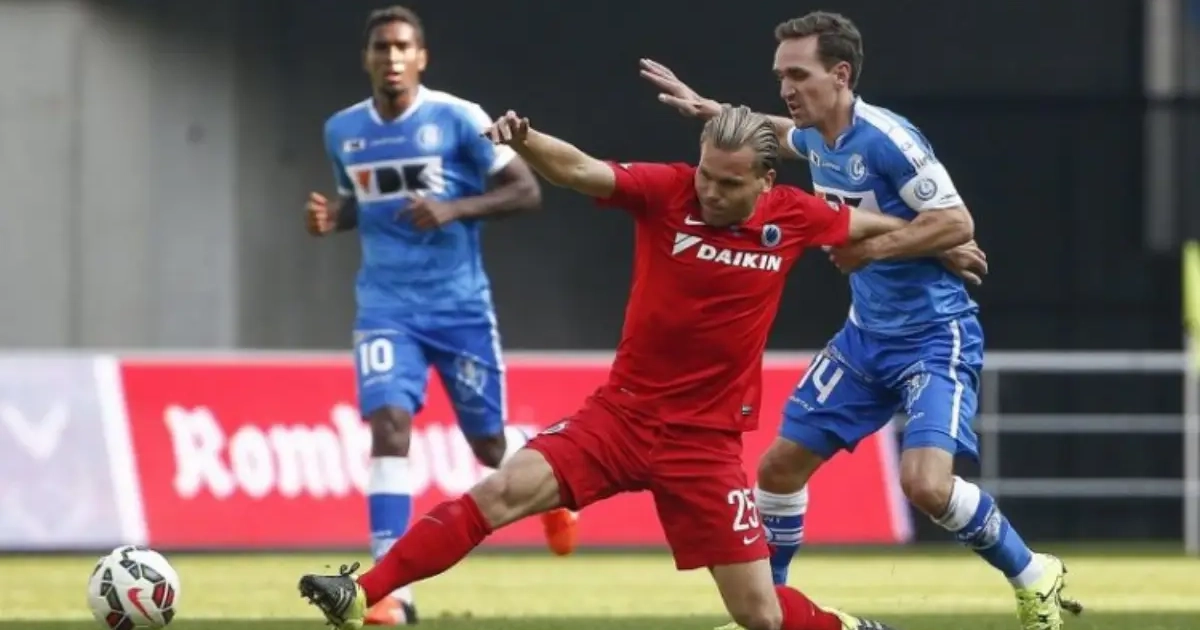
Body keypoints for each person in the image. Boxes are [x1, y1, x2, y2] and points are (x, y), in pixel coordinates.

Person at [299, 104, 912, 630]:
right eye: (705, 174)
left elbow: (879, 227)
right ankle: (363, 594)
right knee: (499, 491)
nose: (709, 191)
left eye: (729, 183)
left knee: (762, 616)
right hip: (619, 420)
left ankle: (846, 627)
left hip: (705, 445)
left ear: (765, 181)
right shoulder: (667, 191)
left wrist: (940, 239)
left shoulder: (795, 216)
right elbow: (579, 169)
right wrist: (527, 140)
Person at [639, 11, 1083, 630]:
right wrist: (709, 110)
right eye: (781, 76)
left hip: (934, 337)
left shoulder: (887, 139)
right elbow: (782, 135)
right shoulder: (818, 136)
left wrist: (876, 248)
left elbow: (957, 222)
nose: (786, 88)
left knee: (926, 486)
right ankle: (771, 613)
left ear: (841, 75)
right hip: (865, 339)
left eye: (799, 75)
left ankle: (1034, 574)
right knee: (778, 468)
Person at [304, 6, 576, 624]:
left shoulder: (459, 118)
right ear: (367, 58)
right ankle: (388, 591)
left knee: (489, 445)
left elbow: (526, 190)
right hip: (384, 308)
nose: (392, 57)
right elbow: (363, 202)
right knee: (388, 426)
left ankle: (550, 479)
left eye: (403, 47)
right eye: (382, 47)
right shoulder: (342, 131)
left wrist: (454, 209)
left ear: (421, 57)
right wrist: (332, 218)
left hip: (459, 308)